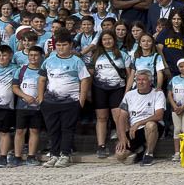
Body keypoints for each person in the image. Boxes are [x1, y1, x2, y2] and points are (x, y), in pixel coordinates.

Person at [38, 34, 91, 168]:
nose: (61, 48)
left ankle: (65, 155)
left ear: (71, 45)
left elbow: (84, 80)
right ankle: (54, 154)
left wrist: (82, 99)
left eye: (64, 45)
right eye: (59, 45)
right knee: (53, 129)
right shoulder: (49, 60)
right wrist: (40, 98)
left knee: (67, 129)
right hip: (50, 101)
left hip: (71, 101)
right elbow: (42, 79)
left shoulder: (77, 61)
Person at [88, 30, 131, 159]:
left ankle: (122, 142)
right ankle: (101, 145)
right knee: (101, 118)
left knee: (118, 117)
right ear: (101, 41)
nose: (107, 41)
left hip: (118, 88)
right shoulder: (95, 55)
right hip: (99, 89)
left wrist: (127, 91)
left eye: (110, 39)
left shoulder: (123, 55)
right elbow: (90, 74)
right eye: (104, 39)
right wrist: (89, 91)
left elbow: (129, 74)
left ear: (114, 40)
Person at [115, 70, 165, 166]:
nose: (140, 82)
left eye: (143, 80)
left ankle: (149, 153)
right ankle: (140, 151)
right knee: (120, 155)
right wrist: (122, 137)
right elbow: (121, 117)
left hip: (152, 126)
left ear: (150, 82)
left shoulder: (158, 93)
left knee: (150, 125)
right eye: (138, 80)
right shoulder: (129, 95)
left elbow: (159, 115)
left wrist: (139, 123)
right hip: (134, 130)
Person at [12, 45, 45, 166]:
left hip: (37, 106)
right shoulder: (21, 70)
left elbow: (48, 86)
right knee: (20, 130)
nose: (33, 57)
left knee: (34, 130)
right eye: (31, 55)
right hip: (22, 106)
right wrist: (25, 96)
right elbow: (15, 87)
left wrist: (41, 96)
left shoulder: (44, 70)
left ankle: (31, 156)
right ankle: (17, 156)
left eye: (36, 55)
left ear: (41, 56)